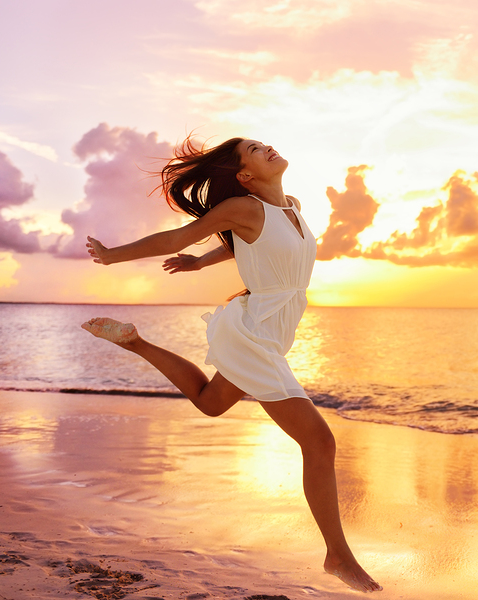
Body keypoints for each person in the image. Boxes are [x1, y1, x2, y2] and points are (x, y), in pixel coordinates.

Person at [80, 137, 382, 593]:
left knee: (211, 401)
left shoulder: (292, 207)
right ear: (244, 176)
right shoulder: (242, 207)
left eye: (264, 143)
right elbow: (175, 237)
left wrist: (202, 263)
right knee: (319, 442)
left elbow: (253, 245)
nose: (268, 148)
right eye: (256, 150)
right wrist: (111, 255)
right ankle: (338, 556)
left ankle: (135, 342)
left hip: (275, 328)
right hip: (256, 330)